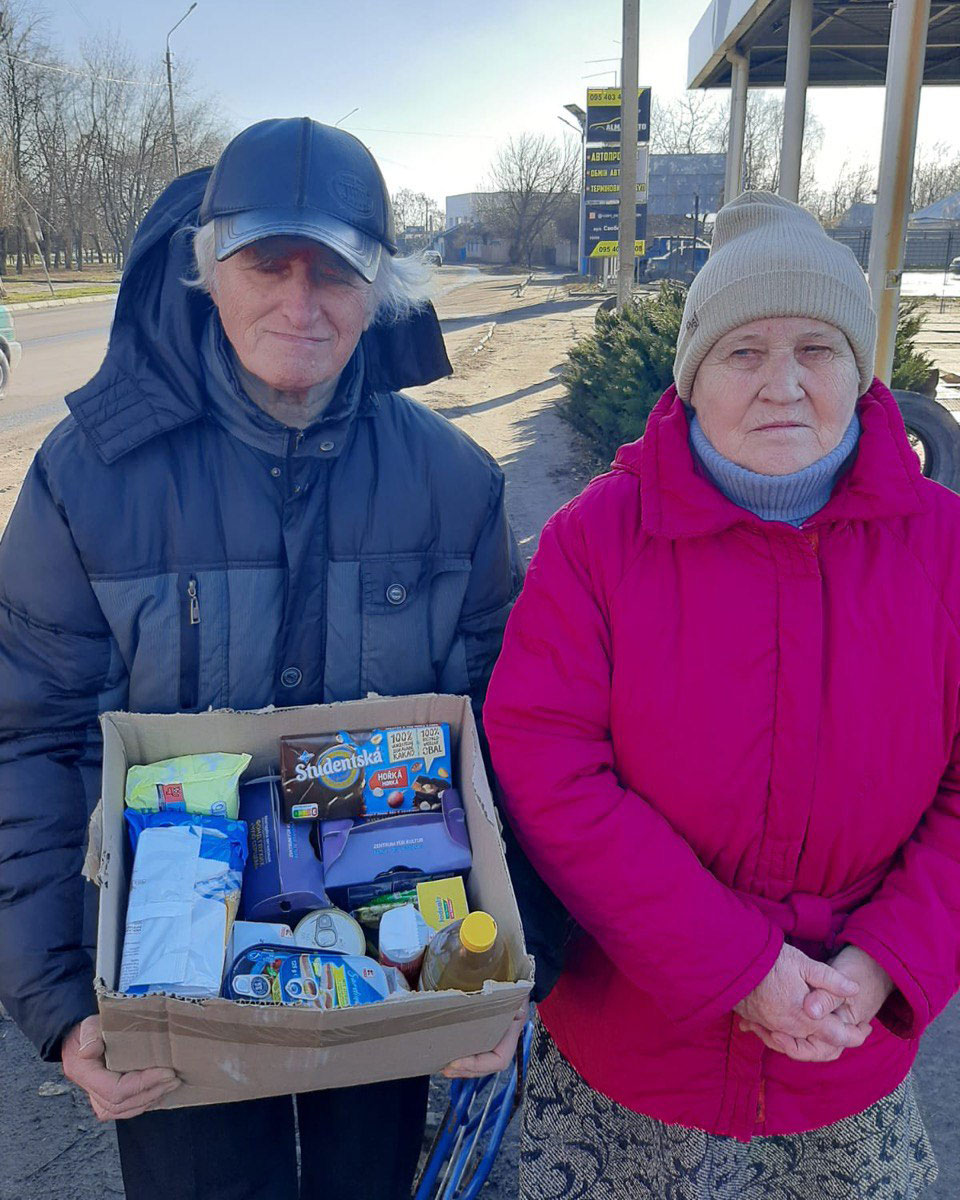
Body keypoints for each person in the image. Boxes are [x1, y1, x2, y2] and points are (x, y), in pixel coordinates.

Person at [0, 117, 524, 1200]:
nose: (300, 300)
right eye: (265, 262)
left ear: (380, 284)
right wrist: (58, 1006)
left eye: (334, 265)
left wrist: (518, 975)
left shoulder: (455, 485)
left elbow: (519, 742)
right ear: (205, 269)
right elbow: (28, 740)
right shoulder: (86, 480)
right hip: (167, 995)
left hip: (394, 968)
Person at [483, 191, 957, 1199]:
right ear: (694, 377)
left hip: (846, 1047)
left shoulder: (946, 548)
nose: (783, 384)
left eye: (817, 349)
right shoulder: (596, 540)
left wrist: (884, 964)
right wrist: (738, 967)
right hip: (636, 1056)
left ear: (861, 368)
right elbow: (547, 761)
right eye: (744, 352)